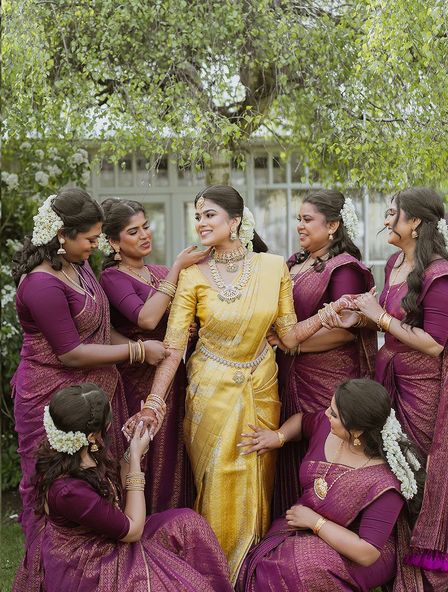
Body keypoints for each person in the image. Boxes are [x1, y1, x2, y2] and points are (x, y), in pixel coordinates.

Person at [122, 185, 354, 582]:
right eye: (197, 216)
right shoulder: (193, 277)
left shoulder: (273, 266)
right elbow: (175, 348)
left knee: (256, 490)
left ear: (235, 221)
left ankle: (251, 577)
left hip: (261, 391)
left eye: (209, 214)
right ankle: (212, 576)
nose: (201, 223)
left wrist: (329, 313)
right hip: (209, 394)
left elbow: (290, 336)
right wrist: (153, 403)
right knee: (213, 485)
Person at [325, 188, 448, 591]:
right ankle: (392, 563)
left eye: (394, 214)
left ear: (417, 223)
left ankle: (424, 574)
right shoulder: (395, 262)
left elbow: (434, 343)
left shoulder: (442, 275)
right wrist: (358, 319)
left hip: (423, 389)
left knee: (417, 473)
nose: (387, 220)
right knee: (389, 466)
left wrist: (381, 320)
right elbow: (385, 318)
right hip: (388, 378)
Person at [11, 189, 167, 547]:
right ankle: (48, 567)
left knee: (99, 482)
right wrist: (138, 352)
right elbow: (71, 353)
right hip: (51, 396)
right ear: (62, 234)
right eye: (91, 239)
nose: (96, 246)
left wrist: (134, 348)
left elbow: (98, 329)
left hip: (95, 393)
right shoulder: (41, 283)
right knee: (55, 485)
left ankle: (99, 564)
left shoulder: (76, 266)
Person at [13, 383, 233, 592]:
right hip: (87, 564)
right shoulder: (68, 491)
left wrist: (135, 448)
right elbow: (133, 530)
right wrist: (136, 458)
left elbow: (113, 488)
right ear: (90, 436)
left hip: (109, 531)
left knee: (188, 523)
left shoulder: (81, 452)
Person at [236, 379, 425, 592]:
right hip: (304, 525)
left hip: (354, 549)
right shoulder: (328, 428)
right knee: (273, 562)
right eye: (330, 406)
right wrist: (278, 436)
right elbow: (302, 421)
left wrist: (316, 522)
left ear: (357, 431)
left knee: (298, 567)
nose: (326, 414)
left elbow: (367, 552)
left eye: (334, 414)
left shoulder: (384, 482)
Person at [268, 189, 377, 516]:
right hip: (290, 374)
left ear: (332, 226)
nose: (299, 226)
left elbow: (345, 330)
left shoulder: (344, 269)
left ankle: (324, 525)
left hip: (326, 376)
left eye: (307, 220)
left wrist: (293, 342)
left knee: (321, 452)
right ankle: (287, 522)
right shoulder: (295, 262)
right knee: (289, 449)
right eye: (298, 219)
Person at [99, 197, 209, 511]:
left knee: (174, 453)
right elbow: (146, 319)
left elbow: (182, 317)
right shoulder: (113, 278)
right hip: (137, 381)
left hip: (172, 376)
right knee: (146, 450)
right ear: (113, 241)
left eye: (145, 226)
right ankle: (141, 527)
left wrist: (187, 327)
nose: (145, 235)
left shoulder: (158, 272)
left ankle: (173, 529)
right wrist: (177, 268)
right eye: (133, 232)